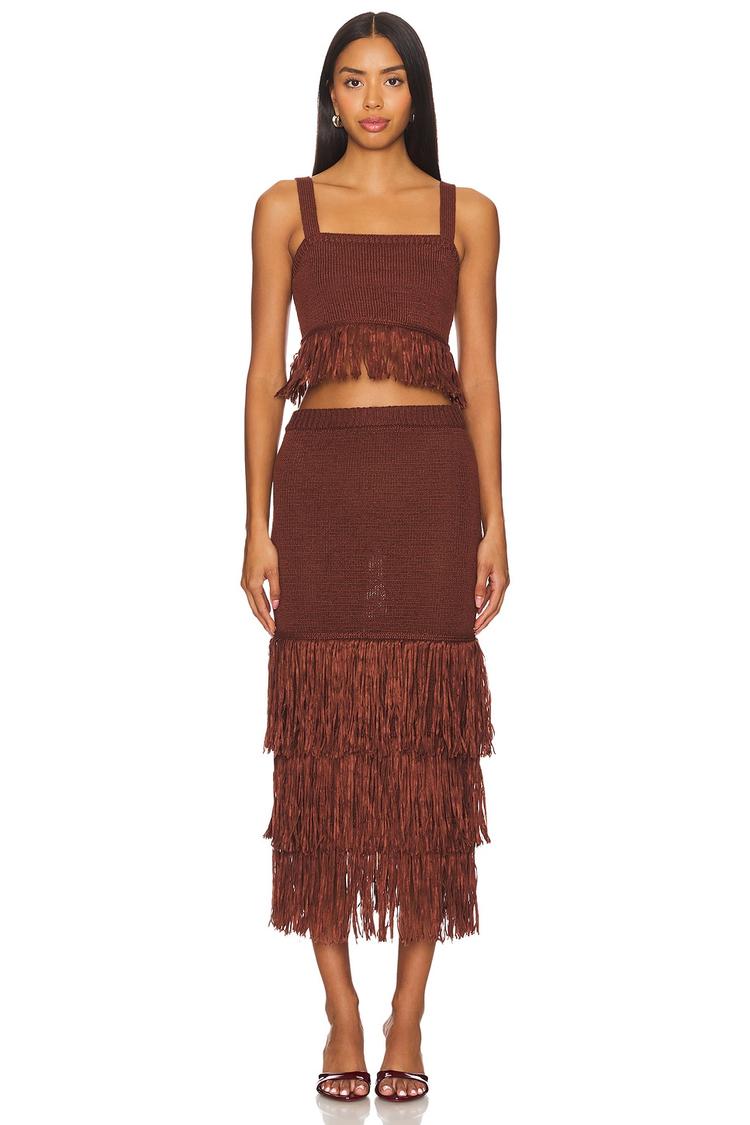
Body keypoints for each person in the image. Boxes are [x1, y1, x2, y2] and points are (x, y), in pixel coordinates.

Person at [241, 12, 509, 1103]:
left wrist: (497, 520)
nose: (372, 101)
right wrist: (253, 521)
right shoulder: (285, 209)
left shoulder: (467, 214)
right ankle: (341, 1013)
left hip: (431, 486)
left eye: (392, 81)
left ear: (417, 94)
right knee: (322, 752)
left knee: (425, 755)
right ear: (329, 96)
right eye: (352, 81)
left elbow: (481, 373)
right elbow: (262, 372)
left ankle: (408, 1015)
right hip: (322, 486)